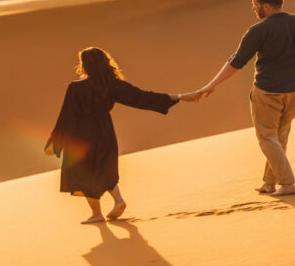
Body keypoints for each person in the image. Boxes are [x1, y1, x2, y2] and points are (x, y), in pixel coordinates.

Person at [44, 47, 201, 224]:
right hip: (105, 131)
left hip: (83, 134)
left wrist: (56, 141)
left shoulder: (76, 88)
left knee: (83, 173)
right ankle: (119, 200)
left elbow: (67, 116)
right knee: (104, 168)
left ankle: (97, 214)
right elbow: (142, 97)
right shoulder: (113, 85)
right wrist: (180, 96)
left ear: (85, 65)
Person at [199, 0, 295, 196]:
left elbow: (237, 61)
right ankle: (270, 183)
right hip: (293, 92)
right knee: (279, 136)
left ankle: (287, 183)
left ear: (267, 6)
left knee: (267, 137)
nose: (253, 9)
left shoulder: (258, 31)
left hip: (268, 91)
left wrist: (212, 84)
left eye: (255, 5)